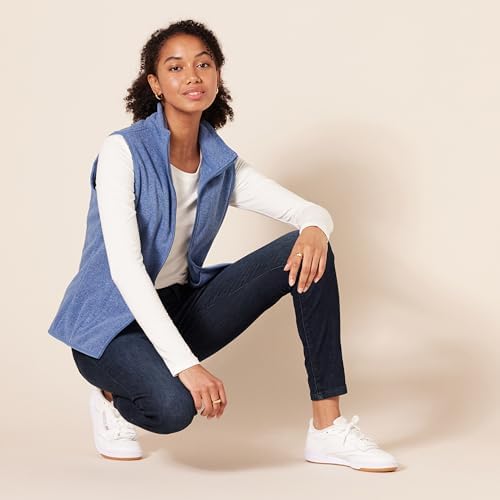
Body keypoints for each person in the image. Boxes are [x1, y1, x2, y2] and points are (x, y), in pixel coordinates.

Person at [48, 19, 399, 472]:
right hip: (110, 326)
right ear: (155, 84)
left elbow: (309, 211)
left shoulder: (220, 163)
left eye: (203, 64)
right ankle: (109, 394)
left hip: (178, 307)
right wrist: (187, 366)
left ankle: (327, 429)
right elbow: (127, 271)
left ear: (217, 75)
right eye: (175, 67)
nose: (192, 76)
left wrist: (315, 227)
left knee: (312, 248)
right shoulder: (123, 153)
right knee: (173, 409)